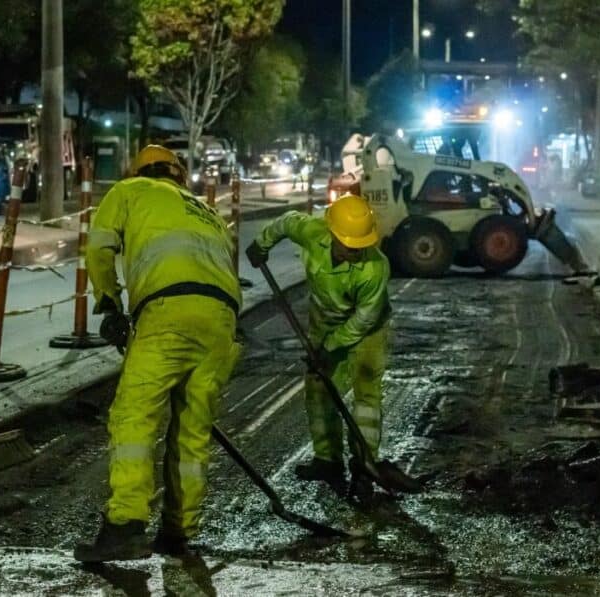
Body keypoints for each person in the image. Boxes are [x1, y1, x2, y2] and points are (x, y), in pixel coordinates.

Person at [75, 145, 242, 562]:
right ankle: (178, 530)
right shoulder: (208, 212)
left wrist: (109, 302)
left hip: (168, 312)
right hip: (221, 319)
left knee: (136, 415)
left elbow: (99, 247)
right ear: (179, 175)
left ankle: (126, 525)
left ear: (140, 170)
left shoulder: (130, 189)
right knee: (192, 429)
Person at [245, 195, 391, 500]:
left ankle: (365, 463)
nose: (354, 250)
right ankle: (327, 460)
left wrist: (331, 348)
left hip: (366, 331)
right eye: (348, 243)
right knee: (319, 390)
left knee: (366, 394)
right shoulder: (312, 231)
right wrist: (261, 244)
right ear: (333, 234)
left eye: (359, 244)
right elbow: (285, 222)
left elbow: (364, 319)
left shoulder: (374, 268)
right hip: (323, 321)